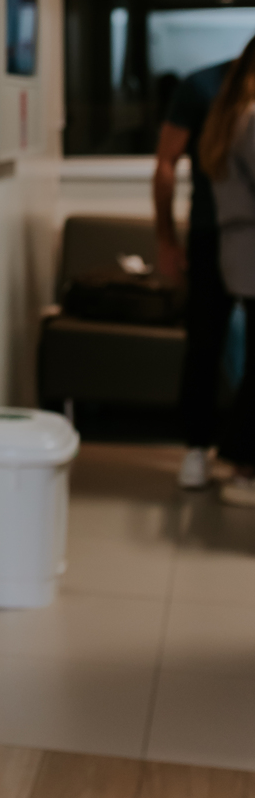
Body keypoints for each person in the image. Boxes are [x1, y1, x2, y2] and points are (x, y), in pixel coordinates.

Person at [154, 58, 234, 488]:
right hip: (212, 235)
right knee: (205, 342)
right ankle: (196, 448)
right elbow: (165, 163)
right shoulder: (202, 86)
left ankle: (242, 455)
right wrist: (166, 239)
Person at [199, 36, 255, 508]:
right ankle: (241, 456)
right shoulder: (252, 117)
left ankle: (239, 455)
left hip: (238, 250)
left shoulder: (226, 115)